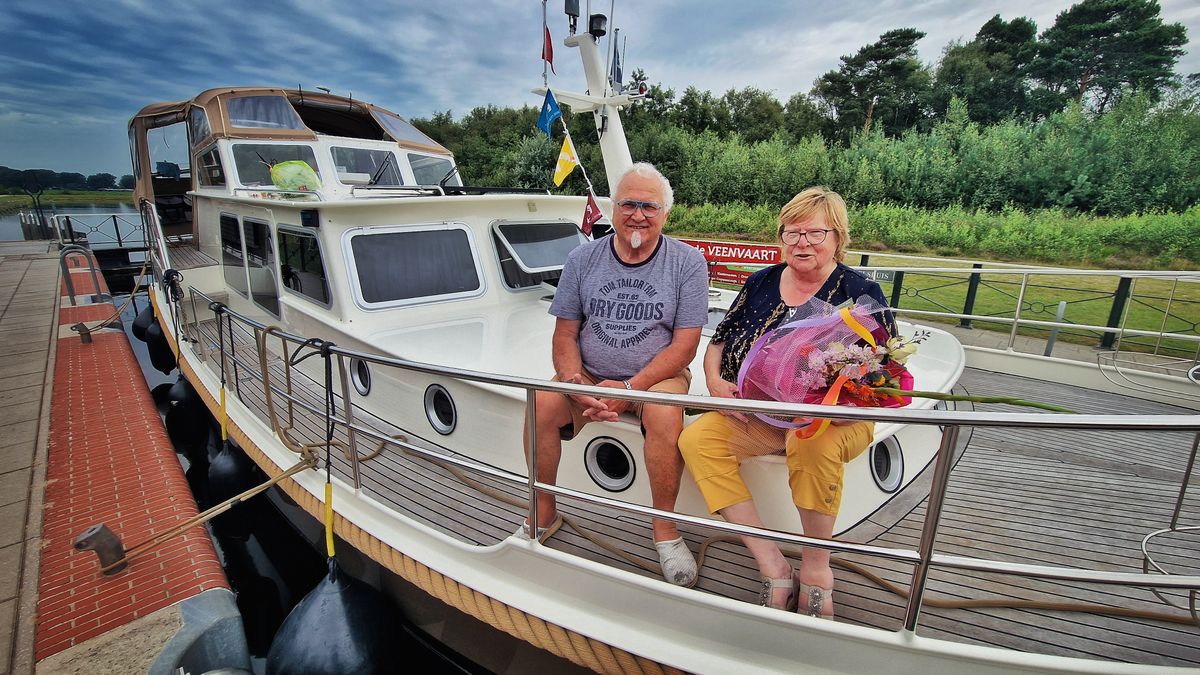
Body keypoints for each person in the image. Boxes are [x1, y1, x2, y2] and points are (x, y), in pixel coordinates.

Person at [677, 186, 896, 616]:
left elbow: (884, 375)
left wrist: (832, 408)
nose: (802, 243)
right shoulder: (760, 282)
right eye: (792, 232)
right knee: (697, 440)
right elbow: (718, 342)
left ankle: (816, 570)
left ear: (838, 237)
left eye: (815, 233)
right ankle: (772, 564)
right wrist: (714, 381)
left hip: (836, 420)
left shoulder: (860, 292)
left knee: (810, 444)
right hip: (760, 414)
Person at [521, 162, 710, 587]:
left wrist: (631, 388)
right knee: (542, 400)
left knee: (663, 413)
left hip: (658, 377)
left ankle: (665, 531)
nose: (637, 215)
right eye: (628, 203)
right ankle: (543, 510)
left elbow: (685, 347)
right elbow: (566, 333)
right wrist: (573, 381)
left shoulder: (688, 263)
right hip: (587, 372)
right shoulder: (582, 257)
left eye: (649, 205)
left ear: (665, 213)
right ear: (612, 208)